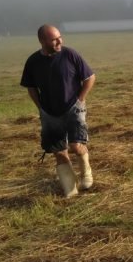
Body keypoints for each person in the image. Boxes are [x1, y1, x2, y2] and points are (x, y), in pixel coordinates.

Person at [20, 24, 96, 198]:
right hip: (49, 114)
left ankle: (86, 175)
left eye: (60, 37)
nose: (59, 41)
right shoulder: (33, 61)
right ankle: (71, 190)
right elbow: (31, 87)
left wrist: (80, 99)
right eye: (54, 39)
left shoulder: (70, 54)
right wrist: (40, 108)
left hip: (73, 109)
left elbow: (90, 77)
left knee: (76, 146)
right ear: (42, 41)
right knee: (59, 151)